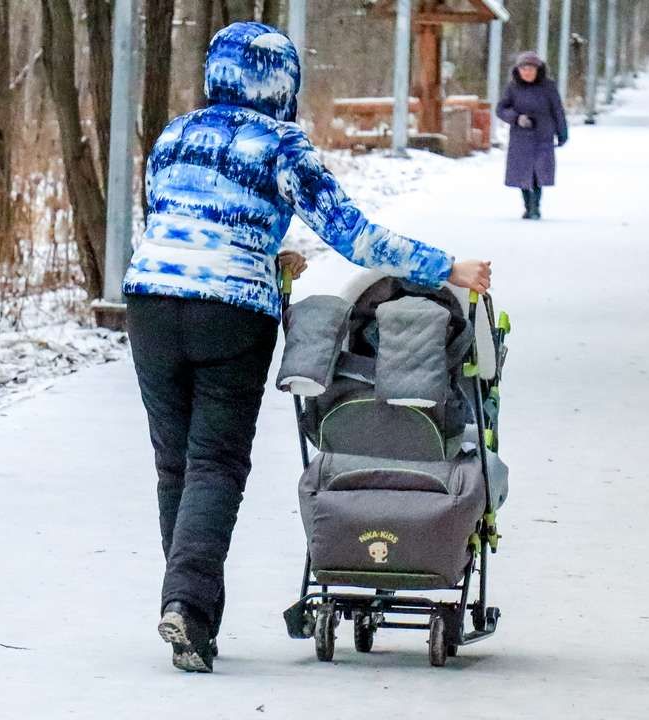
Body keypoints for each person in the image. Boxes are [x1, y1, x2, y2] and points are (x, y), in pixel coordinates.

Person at [123, 21, 493, 674]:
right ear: (282, 83)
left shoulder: (176, 134)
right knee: (214, 463)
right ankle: (185, 603)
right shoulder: (283, 145)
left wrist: (268, 252)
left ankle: (190, 613)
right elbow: (355, 237)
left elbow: (172, 219)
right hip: (230, 313)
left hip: (151, 300)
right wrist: (447, 268)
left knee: (173, 464)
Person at [496, 51, 567, 220]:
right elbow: (501, 109)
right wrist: (517, 118)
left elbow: (557, 110)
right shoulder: (512, 88)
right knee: (523, 173)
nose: (527, 72)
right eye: (524, 69)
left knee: (538, 173)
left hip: (543, 136)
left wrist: (562, 133)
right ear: (518, 70)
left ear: (538, 70)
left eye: (531, 69)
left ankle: (536, 206)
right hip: (521, 138)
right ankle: (528, 206)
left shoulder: (548, 87)